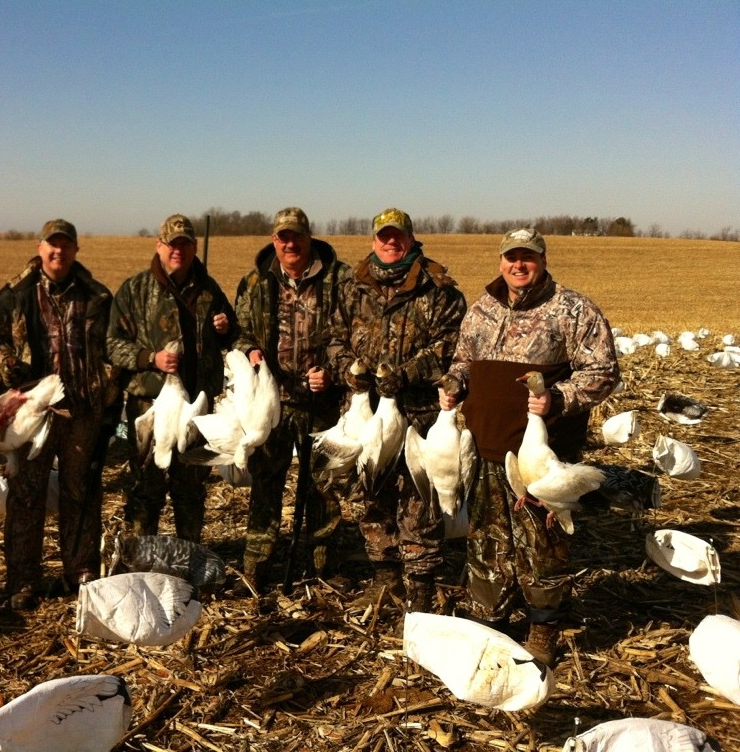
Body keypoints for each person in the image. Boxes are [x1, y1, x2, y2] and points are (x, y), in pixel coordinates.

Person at [440, 227, 620, 665]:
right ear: (501, 260)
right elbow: (463, 360)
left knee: (542, 542)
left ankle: (543, 625)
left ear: (541, 259)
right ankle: (489, 618)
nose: (518, 265)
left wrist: (559, 397)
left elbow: (604, 371)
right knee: (487, 539)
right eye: (511, 257)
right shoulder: (482, 310)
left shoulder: (572, 309)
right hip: (485, 449)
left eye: (528, 257)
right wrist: (453, 383)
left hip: (542, 459)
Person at [327, 208, 466, 611]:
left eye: (398, 236)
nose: (391, 243)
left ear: (410, 239)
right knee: (371, 498)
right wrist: (348, 372)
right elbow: (333, 339)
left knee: (418, 505)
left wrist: (405, 374)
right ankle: (386, 581)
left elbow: (450, 347)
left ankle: (421, 592)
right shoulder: (352, 287)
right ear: (374, 241)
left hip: (418, 416)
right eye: (383, 236)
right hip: (364, 414)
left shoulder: (439, 290)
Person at [0, 219, 117, 611]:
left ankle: (81, 573)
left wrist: (107, 389)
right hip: (32, 411)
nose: (58, 252)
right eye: (52, 245)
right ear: (41, 248)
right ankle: (23, 581)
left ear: (76, 250)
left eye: (66, 245)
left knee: (82, 491)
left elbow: (115, 347)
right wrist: (5, 361)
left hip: (82, 410)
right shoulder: (16, 294)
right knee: (26, 494)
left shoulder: (96, 296)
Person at [233, 207, 350, 592]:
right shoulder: (255, 282)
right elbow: (241, 331)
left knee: (322, 486)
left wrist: (331, 372)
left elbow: (353, 334)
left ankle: (323, 565)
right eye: (283, 237)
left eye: (297, 236)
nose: (290, 243)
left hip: (322, 402)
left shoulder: (339, 280)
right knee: (267, 484)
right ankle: (257, 563)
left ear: (309, 237)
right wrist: (251, 352)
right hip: (274, 402)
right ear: (273, 240)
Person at [106, 213, 237, 543]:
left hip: (197, 405)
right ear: (159, 246)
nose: (178, 250)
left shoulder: (209, 290)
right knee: (145, 486)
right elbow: (111, 344)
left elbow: (233, 335)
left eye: (185, 244)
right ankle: (139, 559)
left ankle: (188, 558)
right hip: (151, 407)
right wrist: (150, 358)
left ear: (193, 248)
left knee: (191, 490)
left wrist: (226, 329)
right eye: (172, 244)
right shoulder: (135, 290)